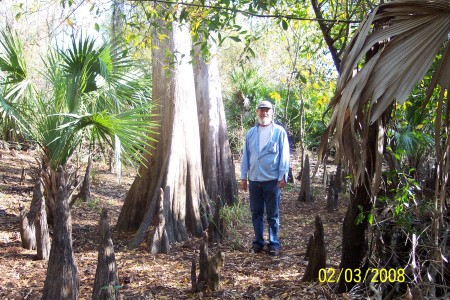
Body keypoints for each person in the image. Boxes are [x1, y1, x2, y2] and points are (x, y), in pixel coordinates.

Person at [240, 100, 290, 256]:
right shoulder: (251, 133)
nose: (264, 113)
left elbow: (284, 155)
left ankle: (273, 244)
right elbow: (246, 156)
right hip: (255, 180)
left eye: (267, 110)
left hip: (272, 181)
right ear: (257, 112)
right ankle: (258, 243)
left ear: (271, 112)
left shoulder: (279, 132)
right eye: (261, 110)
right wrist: (243, 177)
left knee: (273, 215)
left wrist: (283, 176)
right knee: (256, 213)